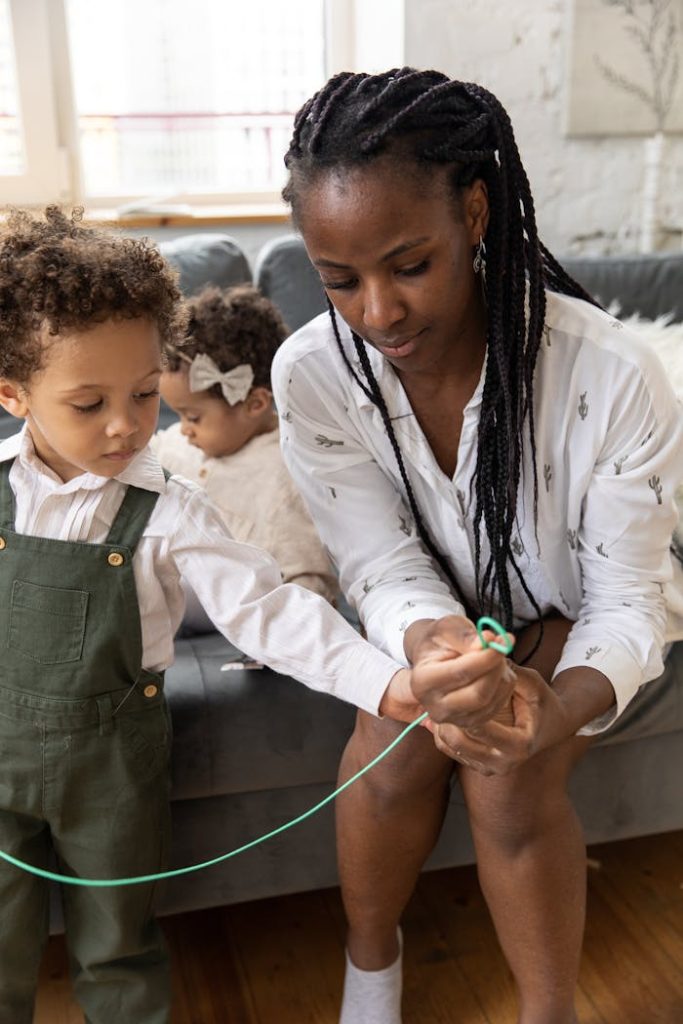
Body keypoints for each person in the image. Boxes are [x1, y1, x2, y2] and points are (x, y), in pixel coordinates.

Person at [0, 206, 506, 1024]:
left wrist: (390, 684)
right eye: (89, 404)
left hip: (112, 775)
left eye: (141, 396)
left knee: (116, 945)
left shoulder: (169, 508)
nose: (128, 426)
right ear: (13, 394)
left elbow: (272, 613)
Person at [271, 68, 683, 1024]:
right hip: (437, 607)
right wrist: (434, 649)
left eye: (409, 265)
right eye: (339, 281)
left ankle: (547, 1014)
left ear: (475, 211)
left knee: (505, 772)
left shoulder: (612, 375)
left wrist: (549, 713)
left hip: (580, 609)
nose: (378, 313)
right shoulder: (314, 377)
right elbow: (376, 562)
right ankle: (370, 972)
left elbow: (629, 600)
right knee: (392, 741)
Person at [152, 284, 337, 634]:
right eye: (179, 416)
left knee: (145, 589)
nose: (184, 430)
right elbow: (139, 460)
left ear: (254, 404)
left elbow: (305, 568)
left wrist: (302, 627)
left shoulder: (283, 471)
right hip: (175, 576)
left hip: (230, 598)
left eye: (193, 417)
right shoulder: (180, 444)